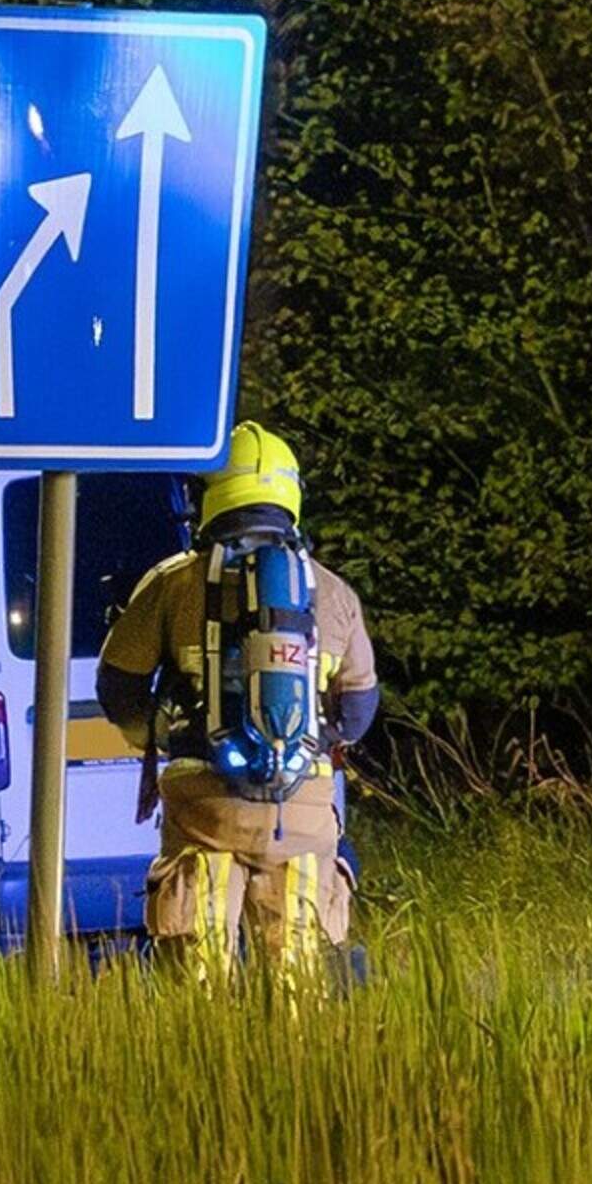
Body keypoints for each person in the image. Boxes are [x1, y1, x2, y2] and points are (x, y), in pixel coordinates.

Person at [96, 421, 381, 986]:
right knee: (300, 980)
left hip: (204, 807)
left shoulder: (172, 582)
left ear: (212, 495)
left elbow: (118, 686)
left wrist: (158, 736)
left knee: (198, 980)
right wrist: (311, 743)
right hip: (301, 812)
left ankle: (206, 1039)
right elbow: (358, 709)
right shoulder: (332, 591)